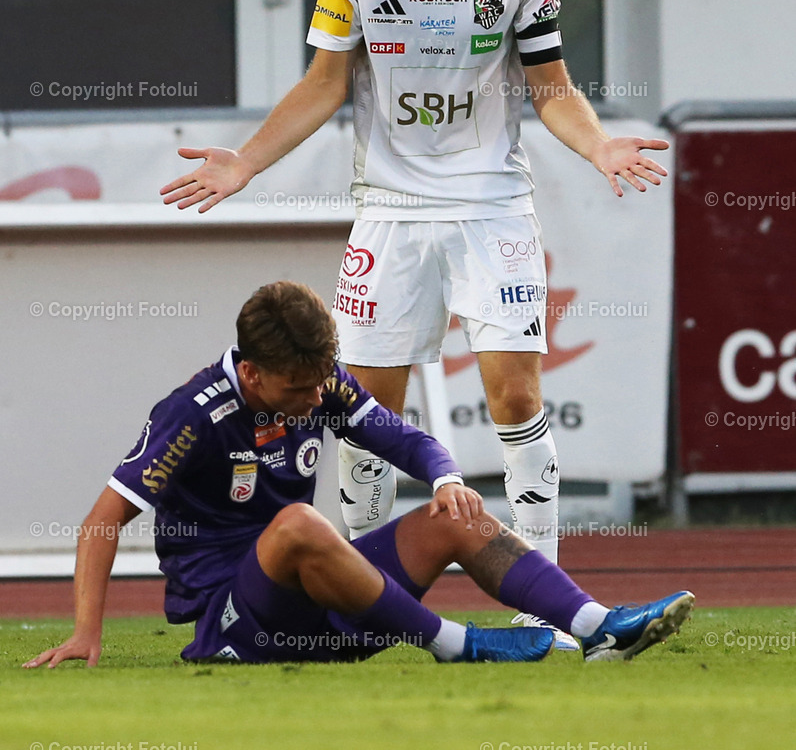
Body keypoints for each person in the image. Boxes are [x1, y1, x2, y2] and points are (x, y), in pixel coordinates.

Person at [159, 0, 670, 644]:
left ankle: (550, 606)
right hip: (390, 209)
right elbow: (325, 83)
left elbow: (551, 89)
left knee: (515, 390)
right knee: (365, 407)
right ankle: (362, 597)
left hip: (490, 202)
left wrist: (600, 148)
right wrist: (244, 162)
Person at [24, 282, 693, 669]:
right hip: (234, 620)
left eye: (323, 382)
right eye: (299, 387)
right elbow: (100, 522)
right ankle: (456, 646)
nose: (317, 399)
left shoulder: (319, 384)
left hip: (325, 601)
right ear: (252, 373)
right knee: (297, 524)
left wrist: (446, 478)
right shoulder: (194, 414)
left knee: (451, 514)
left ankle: (599, 625)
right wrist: (88, 632)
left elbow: (403, 438)